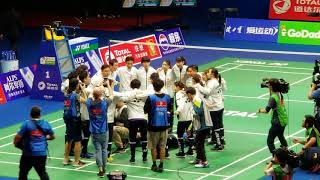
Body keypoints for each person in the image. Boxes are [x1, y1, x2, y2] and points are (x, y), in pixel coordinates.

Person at [13, 106, 55, 180]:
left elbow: (18, 137)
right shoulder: (45, 124)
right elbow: (53, 136)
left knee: (23, 173)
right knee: (42, 173)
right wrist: (45, 138)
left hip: (28, 154)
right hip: (41, 153)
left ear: (30, 114)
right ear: (40, 115)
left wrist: (16, 144)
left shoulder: (26, 124)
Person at [117, 79, 148, 163]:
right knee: (144, 138)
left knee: (132, 138)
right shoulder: (144, 93)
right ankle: (144, 157)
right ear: (139, 85)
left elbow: (121, 98)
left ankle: (133, 158)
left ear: (131, 86)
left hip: (133, 119)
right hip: (143, 118)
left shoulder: (128, 93)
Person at [195, 68, 226, 151]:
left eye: (208, 72)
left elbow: (207, 92)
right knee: (219, 124)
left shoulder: (212, 82)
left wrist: (198, 86)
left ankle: (219, 145)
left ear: (212, 74)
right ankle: (221, 141)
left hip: (214, 107)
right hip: (220, 105)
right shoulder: (218, 80)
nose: (207, 74)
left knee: (216, 126)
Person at [144, 79, 172, 173]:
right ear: (162, 86)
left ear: (153, 87)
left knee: (153, 147)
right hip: (164, 126)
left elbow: (145, 110)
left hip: (153, 126)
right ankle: (161, 165)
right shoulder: (167, 97)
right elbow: (170, 110)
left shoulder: (151, 98)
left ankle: (154, 165)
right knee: (162, 146)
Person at [257, 78, 288, 156]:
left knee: (270, 141)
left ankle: (275, 157)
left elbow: (266, 111)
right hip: (284, 119)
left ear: (271, 87)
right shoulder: (280, 94)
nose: (267, 86)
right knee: (280, 136)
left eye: (269, 85)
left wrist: (260, 110)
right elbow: (272, 94)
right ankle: (286, 152)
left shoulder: (273, 98)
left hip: (277, 122)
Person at [86, 87, 111, 177]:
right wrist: (108, 85)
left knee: (97, 150)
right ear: (100, 95)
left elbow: (87, 97)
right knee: (104, 149)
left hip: (94, 131)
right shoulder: (105, 103)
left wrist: (94, 90)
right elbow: (111, 95)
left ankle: (100, 169)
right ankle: (104, 167)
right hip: (104, 130)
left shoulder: (89, 104)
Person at [186, 87, 212, 168]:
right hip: (199, 126)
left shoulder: (196, 100)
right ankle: (198, 159)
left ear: (190, 94)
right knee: (197, 143)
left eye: (187, 95)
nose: (187, 97)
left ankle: (204, 162)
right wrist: (190, 127)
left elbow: (199, 111)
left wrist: (192, 110)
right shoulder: (195, 100)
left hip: (203, 126)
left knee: (199, 144)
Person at [63, 78, 87, 167]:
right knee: (77, 140)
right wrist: (83, 90)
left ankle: (65, 159)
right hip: (75, 120)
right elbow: (86, 101)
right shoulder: (75, 95)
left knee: (69, 139)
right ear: (76, 85)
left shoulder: (66, 92)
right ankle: (76, 161)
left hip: (67, 118)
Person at [174, 81, 194, 157]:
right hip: (190, 117)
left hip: (182, 118)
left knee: (180, 135)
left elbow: (180, 104)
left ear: (178, 87)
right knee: (190, 135)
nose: (174, 88)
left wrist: (178, 111)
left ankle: (181, 152)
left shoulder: (178, 94)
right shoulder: (187, 92)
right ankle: (191, 151)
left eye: (175, 86)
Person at [78, 70, 94, 159]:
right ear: (84, 79)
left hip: (87, 115)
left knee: (86, 134)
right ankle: (84, 152)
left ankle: (84, 151)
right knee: (86, 134)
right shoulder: (86, 90)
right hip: (84, 115)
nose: (90, 78)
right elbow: (87, 101)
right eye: (88, 77)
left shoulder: (85, 89)